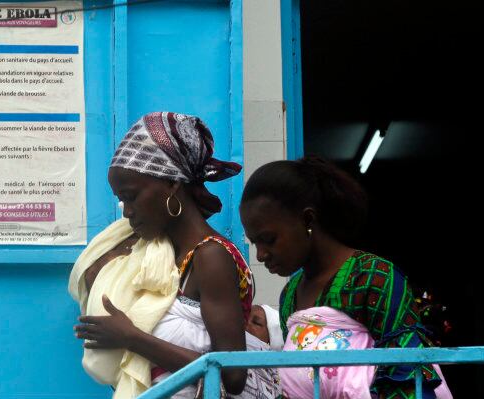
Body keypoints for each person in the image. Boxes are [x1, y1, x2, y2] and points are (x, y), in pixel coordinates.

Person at [70, 111, 280, 398]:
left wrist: (131, 337)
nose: (127, 212)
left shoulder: (211, 257)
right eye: (122, 201)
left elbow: (231, 375)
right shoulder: (160, 256)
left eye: (131, 197)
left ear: (171, 184)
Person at [238, 156, 451, 398]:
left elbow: (407, 374)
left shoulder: (373, 278)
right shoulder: (290, 295)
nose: (261, 254)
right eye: (254, 243)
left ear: (308, 220)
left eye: (268, 239)